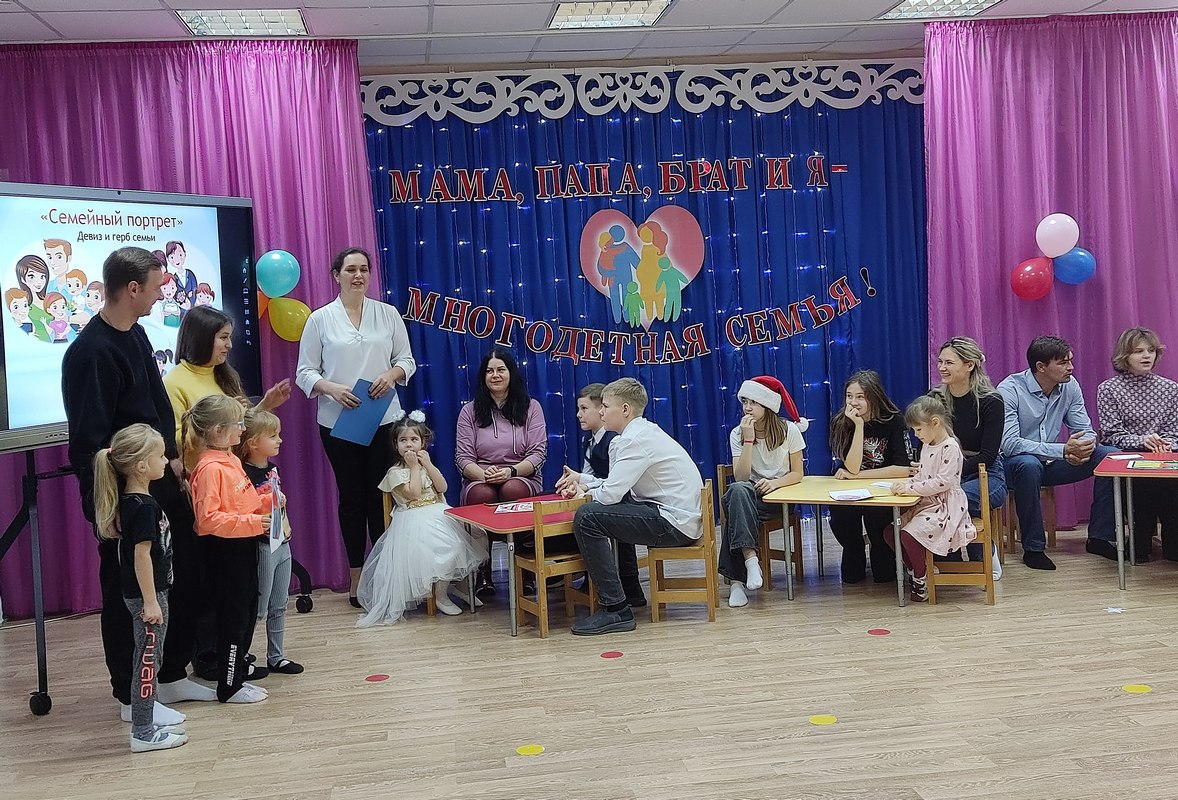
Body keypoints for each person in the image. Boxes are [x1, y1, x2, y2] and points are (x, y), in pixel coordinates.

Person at [63, 246, 212, 723]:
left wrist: (173, 460)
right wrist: (109, 506)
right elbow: (89, 442)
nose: (160, 295)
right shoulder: (91, 353)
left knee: (180, 574)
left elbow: (157, 408)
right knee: (128, 592)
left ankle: (169, 674)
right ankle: (131, 697)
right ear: (132, 289)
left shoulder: (138, 334)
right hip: (124, 494)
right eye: (154, 287)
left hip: (158, 477)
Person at [295, 247, 416, 607]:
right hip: (338, 421)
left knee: (381, 496)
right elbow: (305, 371)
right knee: (351, 499)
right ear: (336, 275)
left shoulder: (388, 313)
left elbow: (407, 360)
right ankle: (356, 576)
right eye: (350, 270)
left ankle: (384, 573)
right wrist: (330, 388)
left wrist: (391, 375)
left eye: (364, 269)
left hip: (384, 418)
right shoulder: (320, 319)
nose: (358, 275)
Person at [564, 378, 703, 636]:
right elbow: (616, 485)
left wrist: (584, 494)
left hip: (674, 524)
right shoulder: (641, 433)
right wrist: (583, 482)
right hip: (679, 518)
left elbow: (610, 494)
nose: (601, 412)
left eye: (606, 406)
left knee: (587, 517)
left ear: (625, 409)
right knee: (613, 509)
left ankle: (616, 609)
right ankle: (630, 591)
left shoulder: (633, 441)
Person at [93, 423, 188, 752]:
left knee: (150, 660)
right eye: (160, 456)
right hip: (148, 597)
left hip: (151, 594)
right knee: (147, 663)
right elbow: (141, 555)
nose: (165, 461)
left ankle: (146, 724)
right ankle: (143, 732)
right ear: (141, 466)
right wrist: (150, 601)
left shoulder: (137, 502)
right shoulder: (142, 507)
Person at [356, 412, 488, 626]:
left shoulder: (426, 464)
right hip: (413, 517)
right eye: (403, 440)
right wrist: (414, 467)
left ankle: (461, 586)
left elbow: (442, 487)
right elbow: (415, 493)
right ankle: (441, 595)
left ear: (423, 443)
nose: (409, 444)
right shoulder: (395, 472)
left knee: (477, 535)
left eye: (414, 439)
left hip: (438, 511)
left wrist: (428, 465)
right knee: (451, 546)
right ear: (396, 444)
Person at [998, 335, 1116, 571]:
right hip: (1014, 466)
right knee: (1028, 465)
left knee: (1110, 456)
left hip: (1053, 462)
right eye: (1063, 363)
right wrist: (1063, 450)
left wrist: (1082, 448)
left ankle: (1099, 538)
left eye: (1070, 361)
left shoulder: (1070, 385)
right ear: (1041, 367)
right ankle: (1033, 548)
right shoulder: (1009, 390)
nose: (1070, 367)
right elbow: (1010, 444)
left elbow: (1085, 429)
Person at [183, 394, 272, 704]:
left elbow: (240, 502)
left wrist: (267, 501)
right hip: (224, 553)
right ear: (219, 430)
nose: (243, 429)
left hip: (242, 547)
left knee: (246, 612)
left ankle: (237, 677)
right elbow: (207, 520)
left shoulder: (230, 459)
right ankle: (229, 686)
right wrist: (254, 522)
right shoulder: (209, 468)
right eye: (238, 423)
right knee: (232, 619)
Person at [455, 348, 546, 596]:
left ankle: (525, 571)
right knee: (481, 495)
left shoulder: (531, 407)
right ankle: (483, 572)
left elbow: (538, 453)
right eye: (489, 371)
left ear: (511, 373)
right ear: (483, 376)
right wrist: (484, 475)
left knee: (512, 489)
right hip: (480, 476)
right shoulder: (469, 411)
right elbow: (463, 458)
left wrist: (511, 471)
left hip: (521, 475)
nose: (495, 375)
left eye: (500, 370)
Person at [719, 376, 807, 608]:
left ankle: (737, 584)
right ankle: (751, 560)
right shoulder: (737, 433)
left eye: (754, 402)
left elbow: (798, 473)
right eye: (745, 402)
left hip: (778, 498)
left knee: (736, 510)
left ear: (767, 405)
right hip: (749, 495)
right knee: (738, 491)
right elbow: (741, 477)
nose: (747, 407)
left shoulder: (789, 430)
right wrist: (748, 441)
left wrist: (775, 483)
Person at [555, 382, 644, 607]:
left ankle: (629, 585)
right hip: (605, 493)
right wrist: (576, 482)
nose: (579, 414)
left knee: (603, 515)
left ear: (601, 410)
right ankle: (590, 577)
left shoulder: (615, 440)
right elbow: (591, 476)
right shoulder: (589, 441)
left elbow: (615, 484)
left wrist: (585, 486)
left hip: (621, 498)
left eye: (585, 409)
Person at [883, 397, 977, 603]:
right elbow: (923, 475)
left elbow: (942, 482)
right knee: (890, 533)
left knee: (908, 535)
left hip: (945, 507)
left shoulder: (950, 447)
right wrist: (908, 483)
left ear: (935, 422)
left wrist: (910, 488)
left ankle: (920, 578)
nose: (916, 435)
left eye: (918, 430)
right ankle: (918, 570)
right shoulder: (928, 444)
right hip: (927, 503)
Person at [1097, 327, 1178, 562]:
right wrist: (1143, 441)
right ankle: (1140, 541)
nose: (1146, 356)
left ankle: (1171, 542)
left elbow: (1174, 431)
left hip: (1165, 454)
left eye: (1151, 351)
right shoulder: (1108, 389)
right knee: (1143, 485)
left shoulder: (1171, 388)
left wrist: (1163, 444)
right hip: (1130, 457)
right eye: (1138, 351)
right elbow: (1111, 435)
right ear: (1125, 356)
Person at [234, 408, 304, 678]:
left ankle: (276, 656)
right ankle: (242, 657)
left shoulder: (273, 469)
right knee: (259, 607)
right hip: (262, 544)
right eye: (273, 436)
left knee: (279, 603)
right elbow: (246, 507)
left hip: (282, 541)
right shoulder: (242, 473)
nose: (280, 440)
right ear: (253, 443)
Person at [164, 304, 291, 449]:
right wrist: (220, 419)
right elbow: (176, 442)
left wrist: (264, 406)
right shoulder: (173, 383)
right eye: (224, 337)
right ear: (202, 339)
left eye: (229, 337)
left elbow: (239, 431)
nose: (229, 345)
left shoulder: (225, 374)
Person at [931, 337, 1006, 577]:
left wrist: (949, 473)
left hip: (986, 473)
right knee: (937, 499)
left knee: (954, 498)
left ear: (969, 365)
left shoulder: (991, 401)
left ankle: (985, 555)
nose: (942, 367)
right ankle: (950, 560)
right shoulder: (935, 399)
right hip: (947, 474)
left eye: (949, 363)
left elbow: (988, 456)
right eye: (940, 362)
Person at [829, 370, 912, 583]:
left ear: (874, 397)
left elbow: (903, 469)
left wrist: (858, 477)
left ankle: (883, 560)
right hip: (849, 486)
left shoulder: (894, 420)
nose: (853, 402)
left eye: (860, 396)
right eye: (849, 396)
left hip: (882, 488)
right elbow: (852, 467)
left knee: (884, 573)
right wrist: (858, 426)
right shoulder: (842, 422)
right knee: (842, 517)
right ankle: (854, 551)